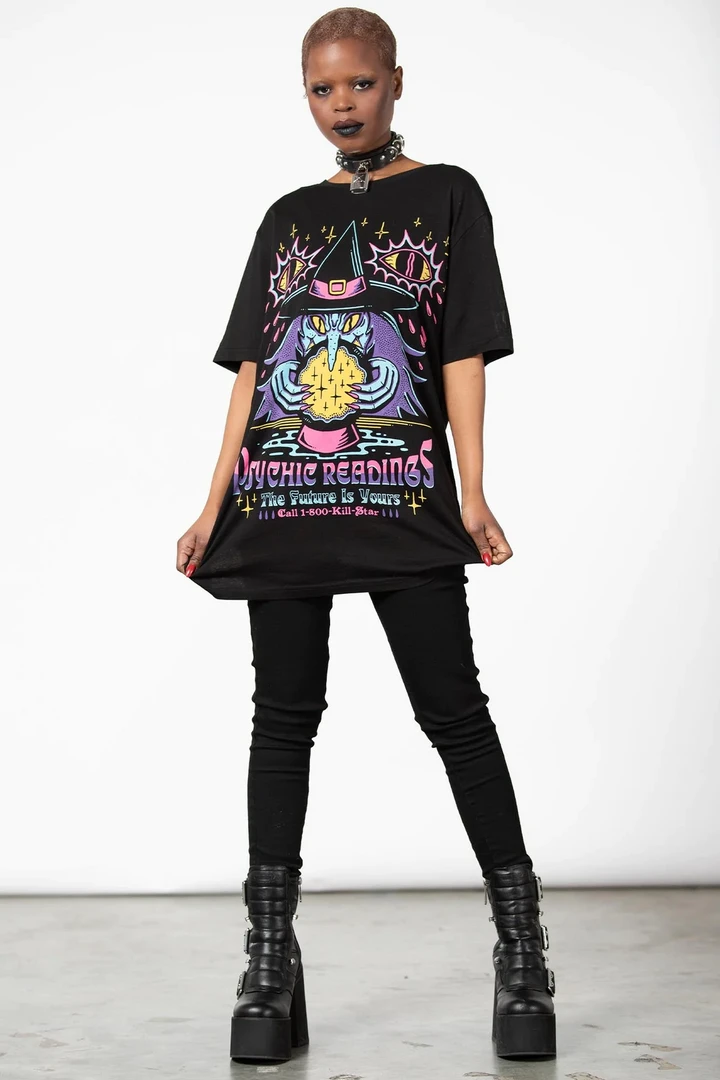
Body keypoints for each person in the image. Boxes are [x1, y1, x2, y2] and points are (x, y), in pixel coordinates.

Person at [176, 6, 556, 1065]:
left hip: (399, 493)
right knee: (282, 721)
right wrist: (212, 503)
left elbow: (461, 350)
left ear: (395, 81)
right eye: (321, 88)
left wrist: (471, 492)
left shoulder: (449, 195)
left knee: (455, 713)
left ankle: (522, 951)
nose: (341, 105)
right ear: (304, 94)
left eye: (359, 83)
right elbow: (256, 369)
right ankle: (267, 959)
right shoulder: (287, 216)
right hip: (282, 496)